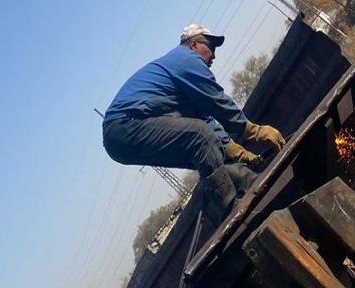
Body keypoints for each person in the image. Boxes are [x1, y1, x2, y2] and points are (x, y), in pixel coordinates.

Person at [102, 24, 286, 224]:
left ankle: (249, 183)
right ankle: (228, 210)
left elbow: (205, 120)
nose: (214, 56)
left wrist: (237, 152)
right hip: (123, 126)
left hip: (120, 141)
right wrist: (252, 130)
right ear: (193, 45)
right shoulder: (185, 59)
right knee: (200, 136)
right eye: (211, 47)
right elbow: (216, 101)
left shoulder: (179, 78)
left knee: (209, 154)